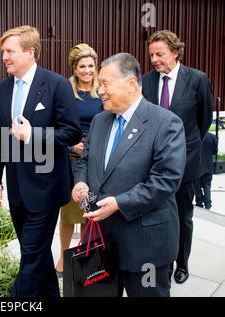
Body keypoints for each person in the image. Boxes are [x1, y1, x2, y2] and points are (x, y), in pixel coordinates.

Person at [72, 53, 186, 297]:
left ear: (131, 83)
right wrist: (80, 182)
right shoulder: (99, 121)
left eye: (105, 83)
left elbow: (165, 181)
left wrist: (119, 203)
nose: (99, 89)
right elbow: (85, 161)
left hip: (145, 246)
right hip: (99, 241)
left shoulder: (166, 123)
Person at [0, 26, 82, 297]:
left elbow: (72, 132)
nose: (4, 56)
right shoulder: (3, 89)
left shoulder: (56, 85)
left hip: (47, 188)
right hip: (17, 190)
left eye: (10, 51)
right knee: (37, 255)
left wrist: (33, 135)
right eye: (3, 52)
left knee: (30, 256)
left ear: (30, 52)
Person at [142, 30, 213, 284]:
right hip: (152, 164)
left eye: (160, 54)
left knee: (183, 215)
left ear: (175, 52)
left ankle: (181, 264)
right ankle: (159, 260)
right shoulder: (146, 81)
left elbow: (204, 120)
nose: (155, 60)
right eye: (151, 55)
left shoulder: (196, 79)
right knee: (154, 214)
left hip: (186, 162)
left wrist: (185, 146)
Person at [55, 43, 103, 276]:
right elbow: (55, 123)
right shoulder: (66, 91)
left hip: (97, 158)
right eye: (82, 66)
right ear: (74, 68)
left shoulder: (103, 90)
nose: (87, 70)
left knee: (88, 211)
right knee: (69, 213)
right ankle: (64, 257)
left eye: (91, 66)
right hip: (71, 158)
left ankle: (83, 257)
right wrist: (69, 144)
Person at [194, 131, 218, 210]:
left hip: (197, 167)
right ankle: (208, 204)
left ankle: (199, 202)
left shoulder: (195, 136)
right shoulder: (213, 137)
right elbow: (215, 151)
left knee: (197, 186)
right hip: (208, 166)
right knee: (207, 186)